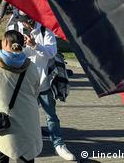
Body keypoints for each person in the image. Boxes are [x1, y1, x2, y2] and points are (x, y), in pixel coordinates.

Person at [7, 15, 76, 161]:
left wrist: (35, 45)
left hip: (43, 82)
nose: (23, 23)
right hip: (23, 84)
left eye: (25, 19)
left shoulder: (45, 29)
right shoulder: (13, 29)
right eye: (20, 19)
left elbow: (52, 52)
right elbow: (8, 54)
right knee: (24, 116)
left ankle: (58, 144)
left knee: (51, 115)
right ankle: (24, 144)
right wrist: (20, 49)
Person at [0, 30, 42, 163]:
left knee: (0, 156)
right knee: (26, 157)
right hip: (27, 118)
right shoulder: (31, 66)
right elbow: (36, 91)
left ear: (5, 42)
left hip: (2, 119)